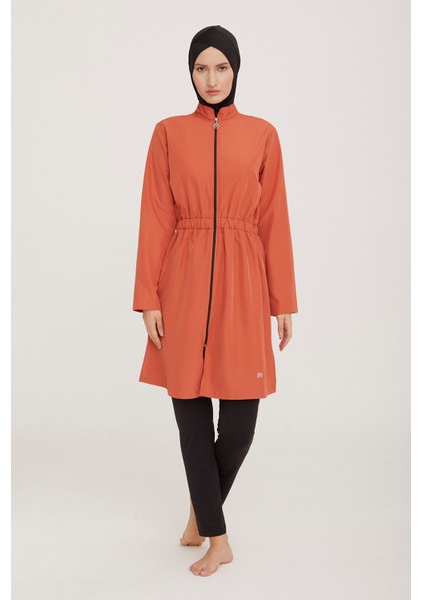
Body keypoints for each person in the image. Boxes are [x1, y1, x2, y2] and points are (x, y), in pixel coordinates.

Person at [132, 25, 298, 576]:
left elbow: (274, 221)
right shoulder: (168, 133)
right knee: (192, 422)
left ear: (235, 71)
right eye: (201, 68)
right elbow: (155, 218)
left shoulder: (263, 135)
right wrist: (148, 297)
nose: (211, 78)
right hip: (181, 284)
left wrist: (283, 300)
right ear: (190, 73)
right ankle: (218, 538)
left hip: (243, 284)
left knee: (241, 424)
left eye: (221, 67)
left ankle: (200, 513)